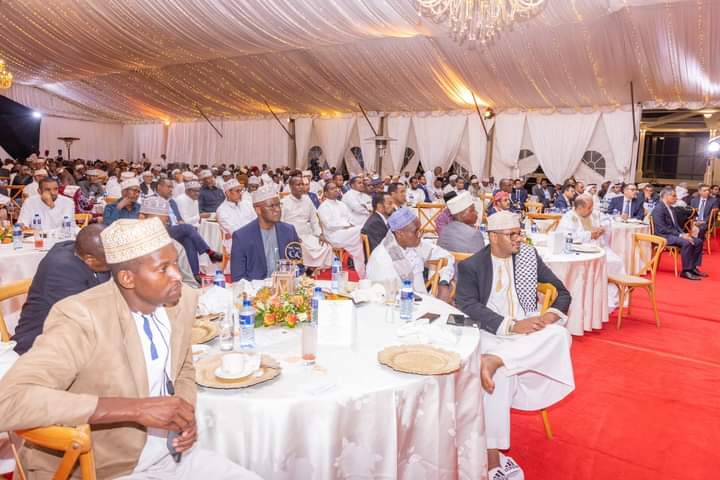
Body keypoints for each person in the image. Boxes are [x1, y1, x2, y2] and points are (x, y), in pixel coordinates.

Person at [0, 217, 261, 479]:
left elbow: (183, 368)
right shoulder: (81, 317)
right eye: (163, 268)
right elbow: (8, 402)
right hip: (104, 467)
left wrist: (183, 411)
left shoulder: (181, 302)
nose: (178, 276)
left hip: (170, 455)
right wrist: (136, 408)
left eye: (175, 263)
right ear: (127, 278)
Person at [455, 211, 574, 480]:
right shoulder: (472, 265)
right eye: (512, 234)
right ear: (493, 237)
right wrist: (510, 325)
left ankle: (496, 359)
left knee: (558, 335)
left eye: (519, 232)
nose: (519, 239)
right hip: (491, 331)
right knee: (500, 376)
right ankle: (492, 459)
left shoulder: (529, 257)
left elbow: (563, 292)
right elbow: (467, 305)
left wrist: (546, 317)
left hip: (526, 333)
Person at [11, 224, 110, 355]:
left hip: (72, 338)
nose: (116, 261)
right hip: (41, 347)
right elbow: (86, 320)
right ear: (89, 260)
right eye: (110, 259)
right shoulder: (62, 269)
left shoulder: (84, 251)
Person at [366, 207, 454, 302]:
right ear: (400, 233)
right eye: (415, 231)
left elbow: (448, 257)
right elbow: (387, 299)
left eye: (420, 230)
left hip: (423, 302)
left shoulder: (415, 245)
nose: (420, 235)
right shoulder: (382, 259)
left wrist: (444, 282)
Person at [558, 194, 625, 309]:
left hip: (598, 247)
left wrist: (602, 228)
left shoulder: (594, 214)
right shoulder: (569, 217)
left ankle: (611, 296)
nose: (591, 210)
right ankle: (593, 296)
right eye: (589, 207)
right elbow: (567, 236)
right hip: (579, 250)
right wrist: (589, 235)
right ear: (580, 208)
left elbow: (607, 221)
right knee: (600, 264)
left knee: (617, 262)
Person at [231, 185, 301, 282]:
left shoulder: (289, 231)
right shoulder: (242, 237)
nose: (277, 209)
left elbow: (298, 265)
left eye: (278, 205)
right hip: (256, 290)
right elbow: (238, 277)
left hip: (285, 288)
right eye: (271, 206)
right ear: (258, 210)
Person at [138, 197, 199, 288]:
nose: (162, 228)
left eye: (165, 223)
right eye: (157, 223)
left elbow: (189, 282)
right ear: (142, 218)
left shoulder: (174, 246)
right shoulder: (128, 245)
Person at [652, 186, 705, 280]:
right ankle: (686, 271)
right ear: (666, 196)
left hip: (672, 234)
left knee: (698, 241)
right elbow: (662, 229)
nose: (676, 198)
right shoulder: (659, 209)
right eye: (674, 196)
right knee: (687, 242)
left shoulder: (672, 209)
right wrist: (681, 235)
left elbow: (676, 226)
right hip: (663, 235)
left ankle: (693, 267)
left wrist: (684, 234)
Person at [281, 176, 333, 269]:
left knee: (326, 247)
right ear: (291, 186)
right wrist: (291, 237)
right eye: (298, 185)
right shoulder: (284, 202)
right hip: (292, 236)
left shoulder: (307, 199)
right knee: (304, 249)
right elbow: (281, 223)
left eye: (302, 184)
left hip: (307, 234)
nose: (301, 187)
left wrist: (320, 234)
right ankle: (306, 270)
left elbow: (314, 220)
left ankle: (312, 270)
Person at [316, 182, 367, 278]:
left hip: (347, 234)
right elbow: (328, 225)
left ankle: (361, 275)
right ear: (325, 193)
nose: (336, 190)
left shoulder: (342, 204)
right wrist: (346, 225)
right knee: (361, 230)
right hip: (333, 236)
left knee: (358, 245)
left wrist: (350, 225)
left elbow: (350, 219)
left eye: (336, 188)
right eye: (332, 189)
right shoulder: (323, 207)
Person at [216, 179, 256, 252]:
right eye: (237, 191)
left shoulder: (246, 204)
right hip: (235, 243)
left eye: (241, 191)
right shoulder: (221, 210)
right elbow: (235, 232)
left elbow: (257, 221)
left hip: (252, 238)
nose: (240, 193)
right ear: (228, 193)